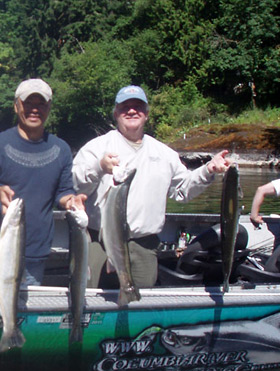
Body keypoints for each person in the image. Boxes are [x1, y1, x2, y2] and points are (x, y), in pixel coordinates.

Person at [73, 85, 230, 289]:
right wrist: (99, 167)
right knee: (92, 302)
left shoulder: (164, 153)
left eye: (138, 106)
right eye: (125, 107)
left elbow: (182, 190)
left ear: (146, 114)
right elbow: (74, 184)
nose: (131, 111)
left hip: (145, 246)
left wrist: (208, 170)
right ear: (115, 113)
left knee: (139, 305)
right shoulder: (95, 148)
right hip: (100, 242)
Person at [0, 79, 85, 286]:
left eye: (41, 104)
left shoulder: (61, 150)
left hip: (36, 252)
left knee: (26, 317)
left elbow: (63, 191)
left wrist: (71, 201)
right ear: (16, 106)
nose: (35, 109)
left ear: (49, 107)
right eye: (28, 103)